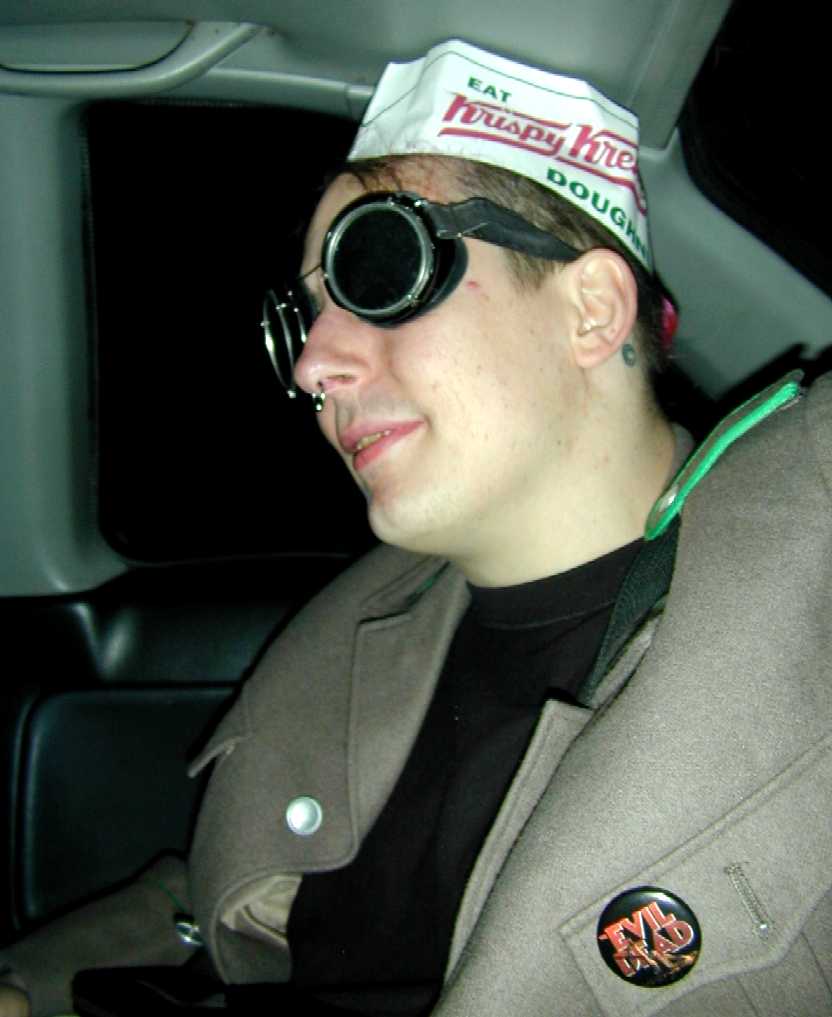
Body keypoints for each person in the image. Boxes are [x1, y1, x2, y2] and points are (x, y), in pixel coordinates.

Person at [3, 37, 831, 1017]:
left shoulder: (800, 627)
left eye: (378, 267)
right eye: (304, 316)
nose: (313, 366)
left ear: (592, 310)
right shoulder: (365, 625)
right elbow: (238, 887)